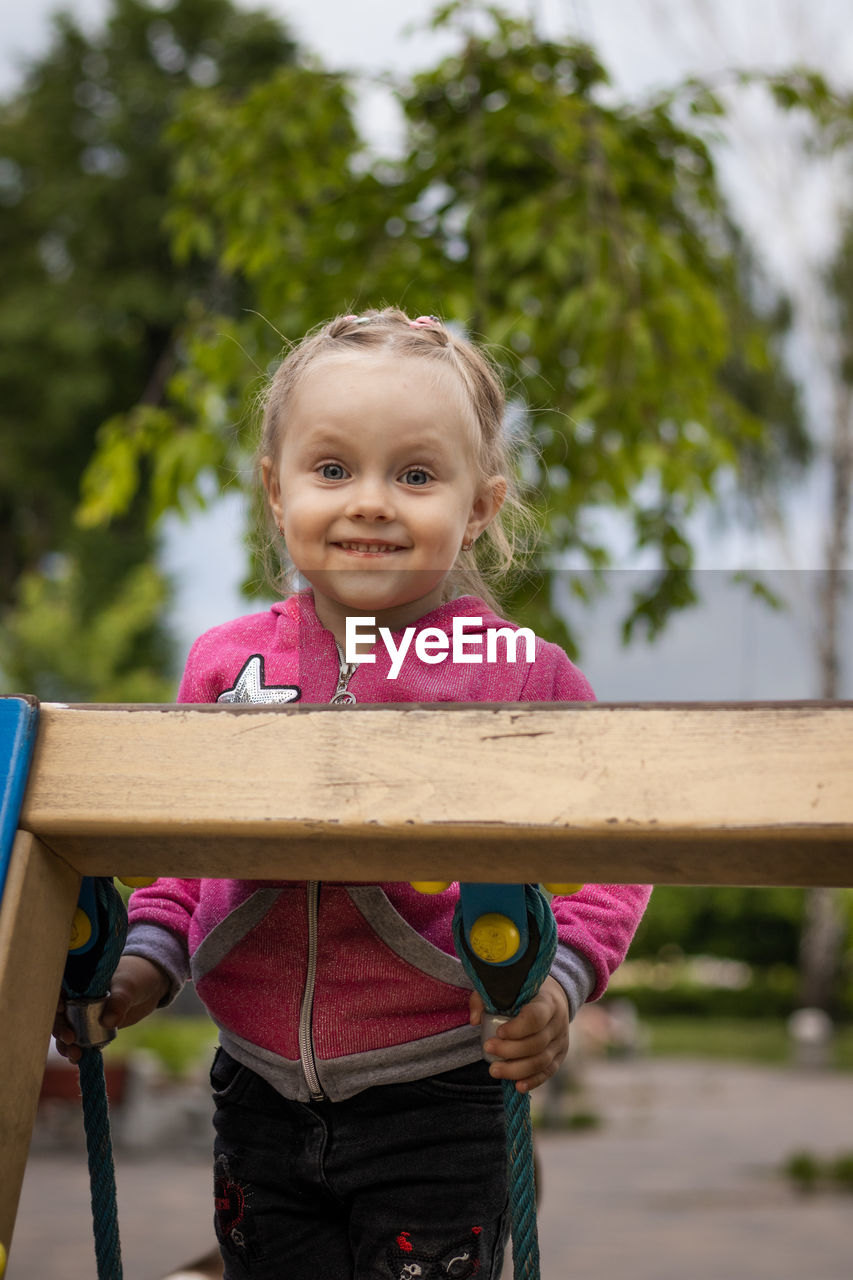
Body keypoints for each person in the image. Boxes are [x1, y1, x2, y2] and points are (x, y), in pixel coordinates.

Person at [54, 308, 651, 1280]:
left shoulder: (514, 674)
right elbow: (185, 858)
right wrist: (144, 964)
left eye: (414, 475)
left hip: (441, 1085)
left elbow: (617, 856)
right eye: (332, 468)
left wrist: (557, 980)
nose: (370, 501)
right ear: (274, 488)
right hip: (255, 1090)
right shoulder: (225, 664)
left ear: (479, 505)